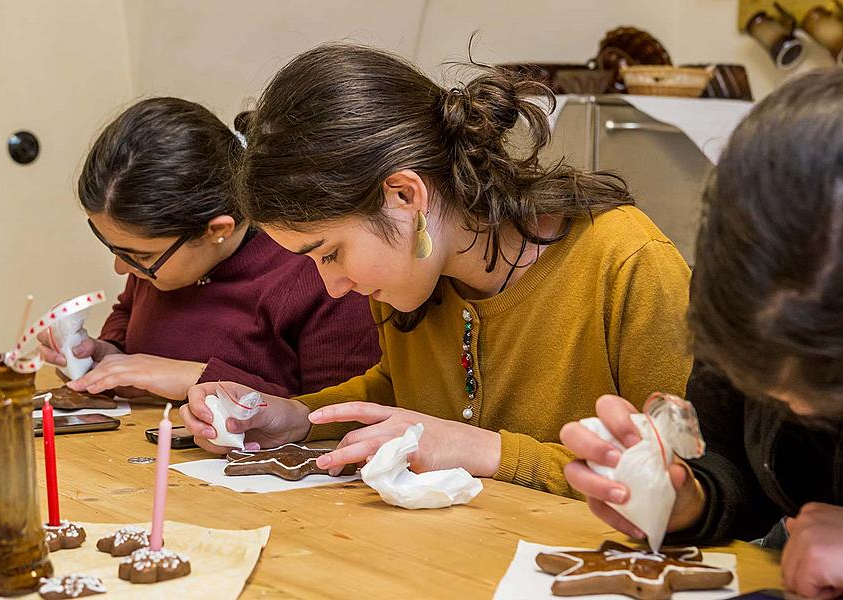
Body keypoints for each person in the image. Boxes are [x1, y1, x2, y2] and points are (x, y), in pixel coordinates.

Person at [180, 43, 692, 495]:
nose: (333, 287)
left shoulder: (625, 262)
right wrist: (296, 417)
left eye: (330, 252)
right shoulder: (409, 278)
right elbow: (401, 391)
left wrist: (488, 452)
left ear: (405, 196)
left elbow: (690, 480)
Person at [560, 70, 843, 597]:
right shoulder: (742, 286)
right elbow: (732, 457)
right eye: (769, 391)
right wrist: (685, 497)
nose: (800, 416)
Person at [40, 97, 379, 400]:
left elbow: (336, 417)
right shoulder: (162, 267)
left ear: (217, 230)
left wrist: (198, 379)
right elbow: (130, 313)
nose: (122, 268)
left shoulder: (320, 272)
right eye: (113, 248)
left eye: (140, 256)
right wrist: (107, 352)